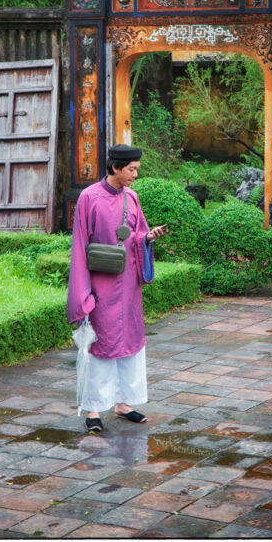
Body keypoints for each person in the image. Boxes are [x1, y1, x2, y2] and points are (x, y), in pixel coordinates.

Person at [67, 144, 167, 432]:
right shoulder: (89, 198)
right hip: (101, 284)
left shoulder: (132, 198)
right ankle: (94, 410)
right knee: (101, 344)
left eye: (137, 169)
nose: (135, 175)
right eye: (131, 169)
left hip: (128, 285)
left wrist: (148, 237)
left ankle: (124, 404)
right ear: (114, 167)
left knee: (130, 344)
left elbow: (136, 236)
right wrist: (82, 292)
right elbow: (79, 246)